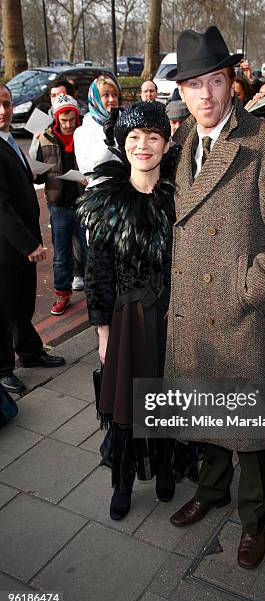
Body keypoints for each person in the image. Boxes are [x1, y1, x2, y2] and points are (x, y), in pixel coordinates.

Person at [165, 26, 265, 569]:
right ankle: (210, 490)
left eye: (214, 81)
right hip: (194, 315)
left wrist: (249, 289)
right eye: (192, 85)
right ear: (180, 92)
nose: (204, 95)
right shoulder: (182, 144)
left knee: (250, 430)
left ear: (232, 82)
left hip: (247, 315)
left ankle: (255, 520)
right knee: (208, 410)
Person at [78, 102, 179, 520]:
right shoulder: (106, 203)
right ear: (122, 145)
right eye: (134, 138)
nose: (143, 145)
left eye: (152, 137)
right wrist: (101, 334)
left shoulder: (181, 196)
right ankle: (122, 480)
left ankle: (166, 467)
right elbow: (97, 271)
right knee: (125, 405)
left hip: (174, 318)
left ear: (166, 143)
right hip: (124, 323)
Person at [0, 84, 65, 393]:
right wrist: (28, 244)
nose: (3, 111)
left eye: (7, 104)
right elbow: (1, 207)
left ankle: (29, 352)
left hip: (22, 244)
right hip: (7, 248)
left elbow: (23, 181)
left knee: (23, 302)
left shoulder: (10, 139)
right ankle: (3, 368)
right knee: (4, 309)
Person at [35, 94, 87, 316]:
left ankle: (96, 294)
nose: (68, 125)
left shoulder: (85, 135)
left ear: (77, 117)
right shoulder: (45, 138)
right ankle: (62, 295)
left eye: (71, 120)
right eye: (63, 120)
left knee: (90, 251)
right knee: (61, 255)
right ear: (56, 119)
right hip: (59, 207)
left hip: (84, 203)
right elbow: (37, 177)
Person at [74, 74, 121, 177]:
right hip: (99, 190)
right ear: (95, 98)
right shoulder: (82, 132)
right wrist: (108, 143)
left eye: (114, 95)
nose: (112, 99)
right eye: (106, 95)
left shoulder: (125, 123)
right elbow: (86, 169)